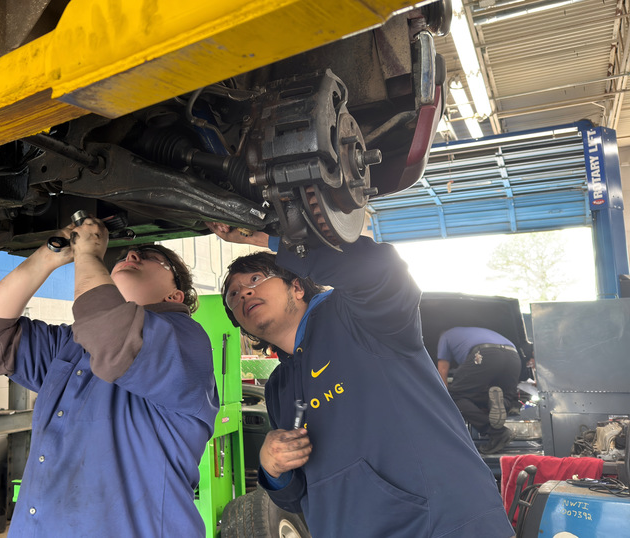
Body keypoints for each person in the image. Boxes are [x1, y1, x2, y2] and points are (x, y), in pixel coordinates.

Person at [206, 222, 514, 538]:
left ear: (297, 287)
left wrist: (264, 236)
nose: (243, 292)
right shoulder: (279, 387)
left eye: (256, 279)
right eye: (233, 295)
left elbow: (379, 268)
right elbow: (295, 498)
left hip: (442, 523)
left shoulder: (358, 316)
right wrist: (273, 468)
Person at [0, 217, 218, 537]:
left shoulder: (186, 339)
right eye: (125, 256)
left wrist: (88, 257)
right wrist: (50, 255)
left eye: (152, 257)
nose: (130, 257)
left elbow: (111, 334)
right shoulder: (72, 346)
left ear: (175, 296)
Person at [437, 326, 522, 455]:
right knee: (505, 395)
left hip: (484, 354)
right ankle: (497, 403)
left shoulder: (445, 335)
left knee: (455, 396)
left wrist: (444, 397)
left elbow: (442, 370)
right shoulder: (478, 332)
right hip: (513, 356)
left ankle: (497, 432)